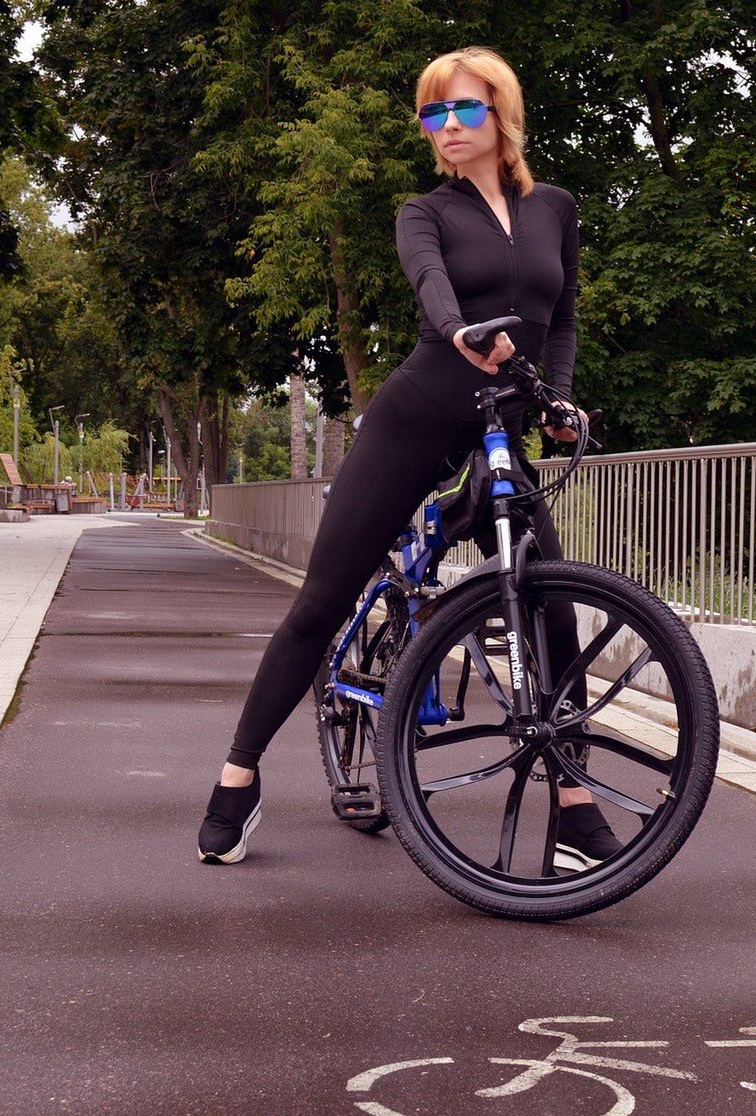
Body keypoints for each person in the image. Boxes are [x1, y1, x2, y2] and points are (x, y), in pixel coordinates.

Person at [197, 46, 618, 869]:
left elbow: (560, 317)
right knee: (320, 603)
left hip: (502, 422)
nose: (447, 126)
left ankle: (573, 805)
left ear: (502, 113)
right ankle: (237, 779)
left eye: (464, 108)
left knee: (553, 606)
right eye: (433, 113)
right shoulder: (424, 211)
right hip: (420, 411)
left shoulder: (555, 209)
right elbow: (430, 281)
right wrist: (460, 331)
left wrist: (560, 402)